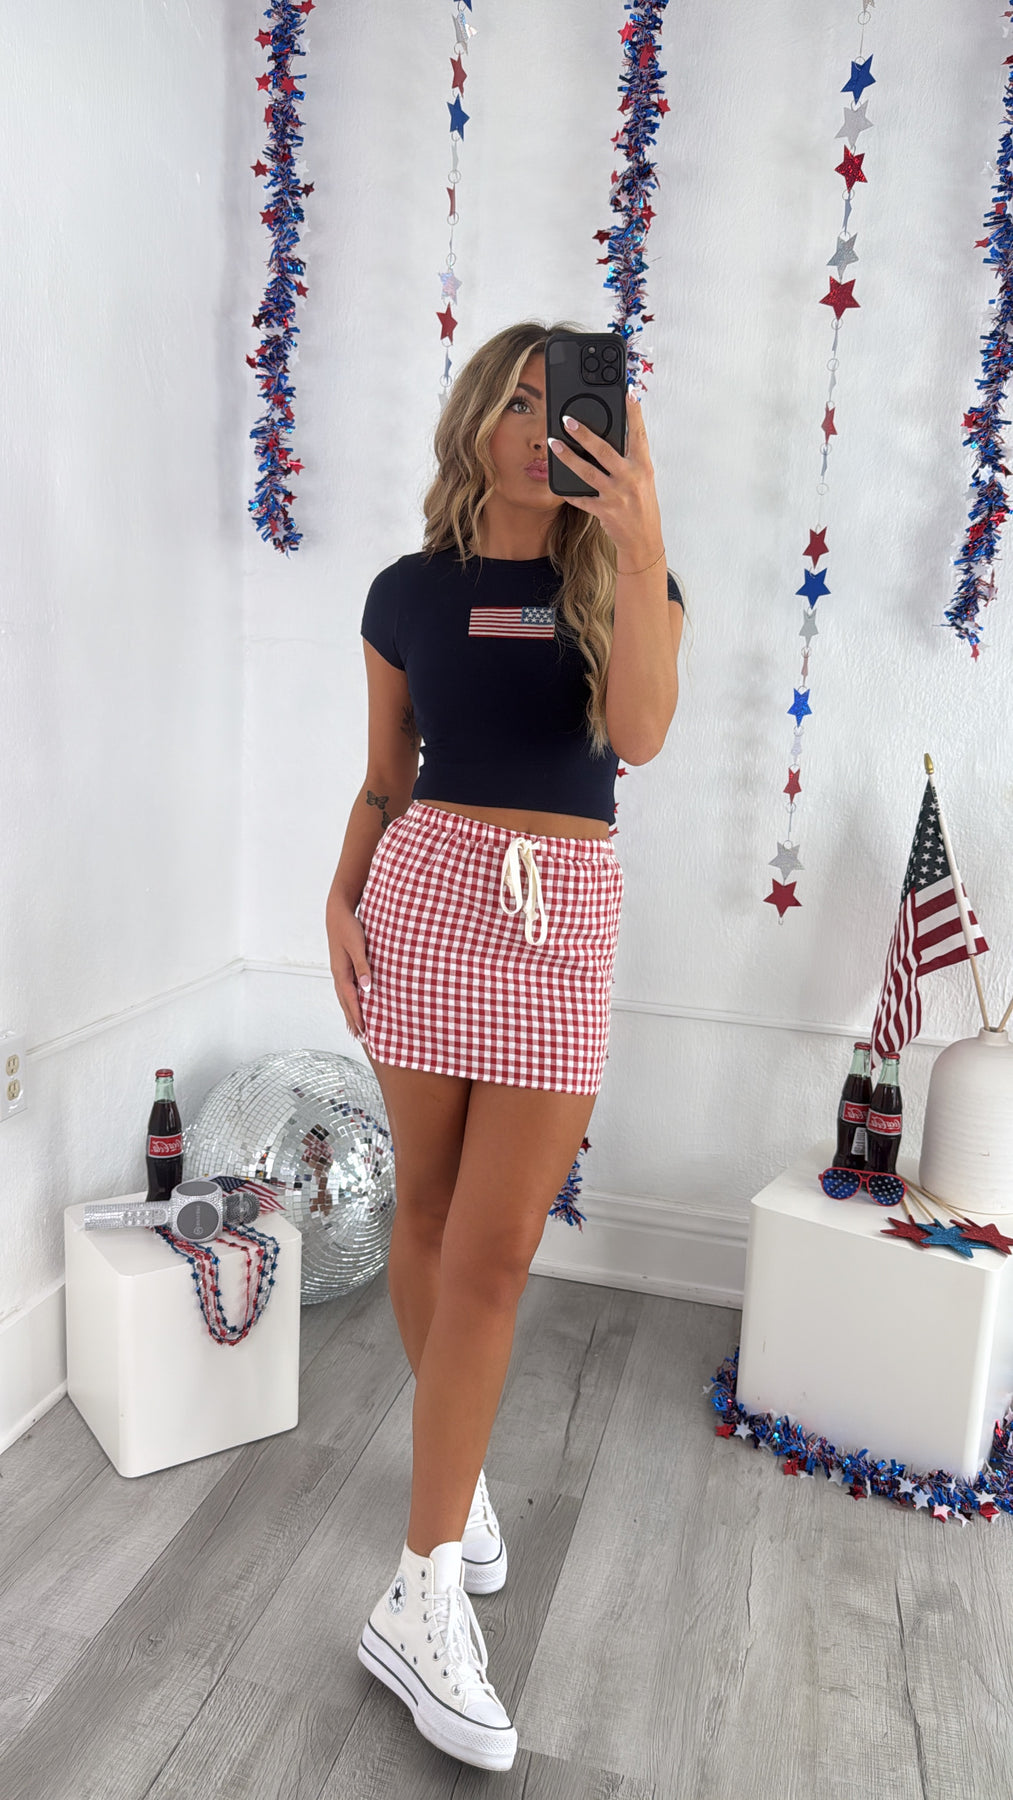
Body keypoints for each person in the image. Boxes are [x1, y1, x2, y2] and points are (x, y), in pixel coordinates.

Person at [324, 319, 684, 1773]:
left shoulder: (626, 579)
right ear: (477, 417)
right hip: (421, 901)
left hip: (561, 915)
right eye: (521, 402)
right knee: (423, 1213)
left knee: (496, 1249)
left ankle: (412, 1592)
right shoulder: (406, 592)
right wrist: (340, 897)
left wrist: (641, 534)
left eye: (569, 407)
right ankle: (440, 1541)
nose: (544, 428)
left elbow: (639, 738)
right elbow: (384, 775)